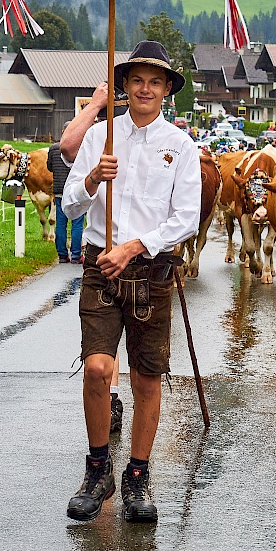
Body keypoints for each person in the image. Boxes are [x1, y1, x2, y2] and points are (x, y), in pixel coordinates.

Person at [62, 41, 201, 523]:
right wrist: (93, 180)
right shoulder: (102, 137)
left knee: (145, 378)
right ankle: (98, 469)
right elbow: (69, 205)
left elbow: (186, 220)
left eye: (155, 81)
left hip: (152, 272)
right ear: (123, 85)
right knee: (98, 368)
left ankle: (137, 476)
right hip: (101, 267)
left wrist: (136, 246)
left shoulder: (181, 146)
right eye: (137, 80)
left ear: (166, 91)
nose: (145, 88)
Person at [61, 81, 124, 433]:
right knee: (104, 339)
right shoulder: (98, 125)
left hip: (144, 250)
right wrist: (97, 103)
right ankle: (111, 396)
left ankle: (113, 393)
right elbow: (68, 146)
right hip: (100, 233)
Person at [47, 122, 86, 264]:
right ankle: (76, 255)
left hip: (59, 191)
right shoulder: (81, 147)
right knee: (77, 223)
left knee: (60, 224)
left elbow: (49, 167)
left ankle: (62, 255)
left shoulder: (53, 149)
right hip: (76, 191)